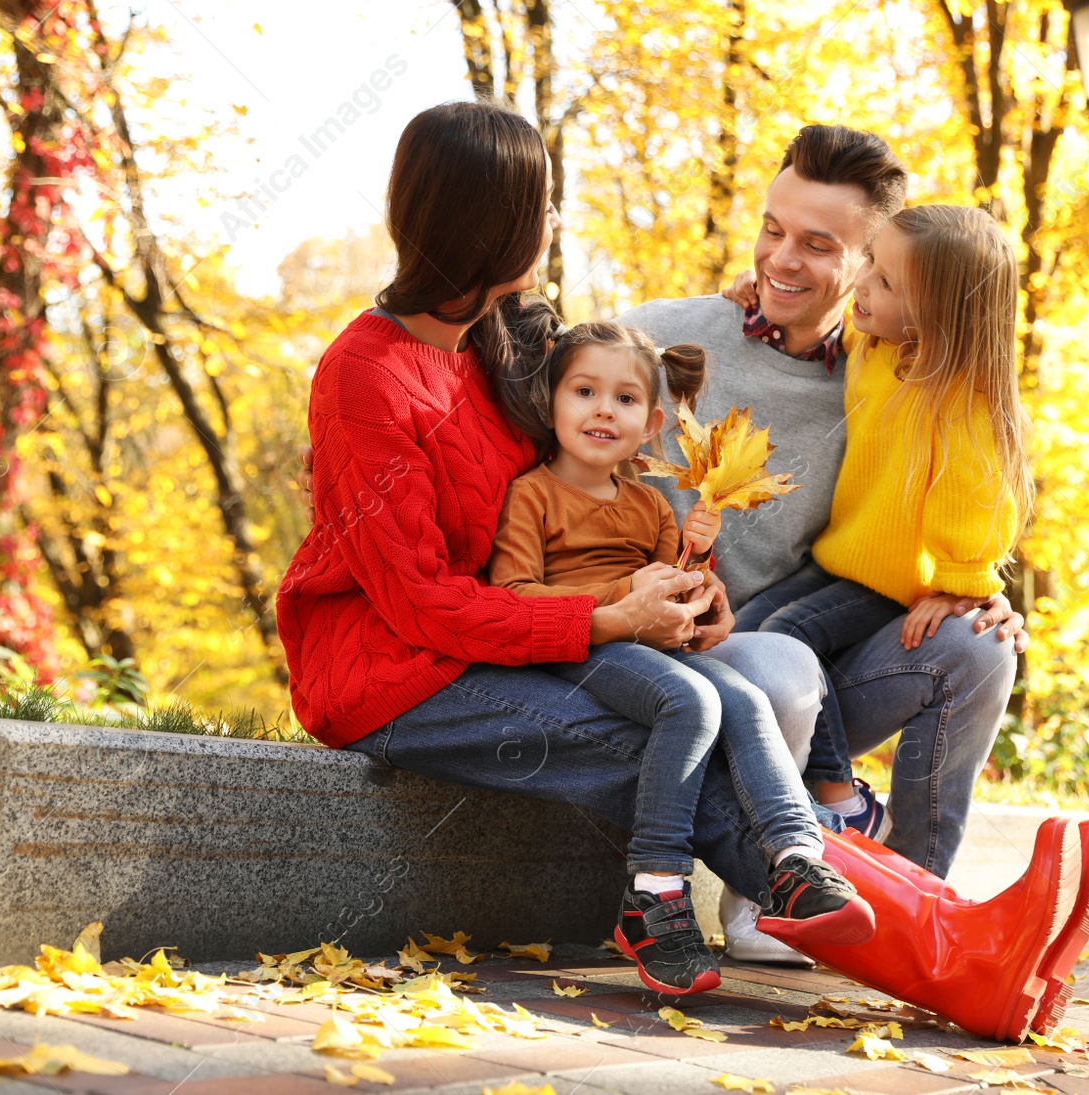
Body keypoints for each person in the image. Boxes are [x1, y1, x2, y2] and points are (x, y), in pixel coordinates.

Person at [276, 100, 869, 997]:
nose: (555, 222)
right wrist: (603, 620)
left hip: (512, 646)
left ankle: (921, 925)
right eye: (543, 204)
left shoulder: (509, 341)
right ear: (494, 222)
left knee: (715, 711)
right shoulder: (365, 376)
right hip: (395, 673)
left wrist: (677, 590)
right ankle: (919, 941)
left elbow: (613, 437)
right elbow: (420, 604)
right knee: (677, 751)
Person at [617, 125, 1033, 962]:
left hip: (810, 643)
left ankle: (914, 913)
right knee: (783, 659)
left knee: (982, 652)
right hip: (687, 648)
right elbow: (535, 389)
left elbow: (965, 472)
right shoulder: (667, 334)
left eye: (819, 244)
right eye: (773, 230)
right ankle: (773, 889)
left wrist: (977, 585)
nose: (782, 260)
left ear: (870, 264)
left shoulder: (881, 360)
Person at [485, 318, 871, 994]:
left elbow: (677, 603)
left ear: (652, 421)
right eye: (584, 391)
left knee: (744, 698)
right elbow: (515, 596)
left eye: (626, 399)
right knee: (690, 701)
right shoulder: (532, 495)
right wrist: (623, 595)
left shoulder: (651, 508)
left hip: (648, 648)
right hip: (581, 647)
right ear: (552, 403)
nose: (604, 409)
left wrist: (704, 597)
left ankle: (795, 856)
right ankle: (655, 890)